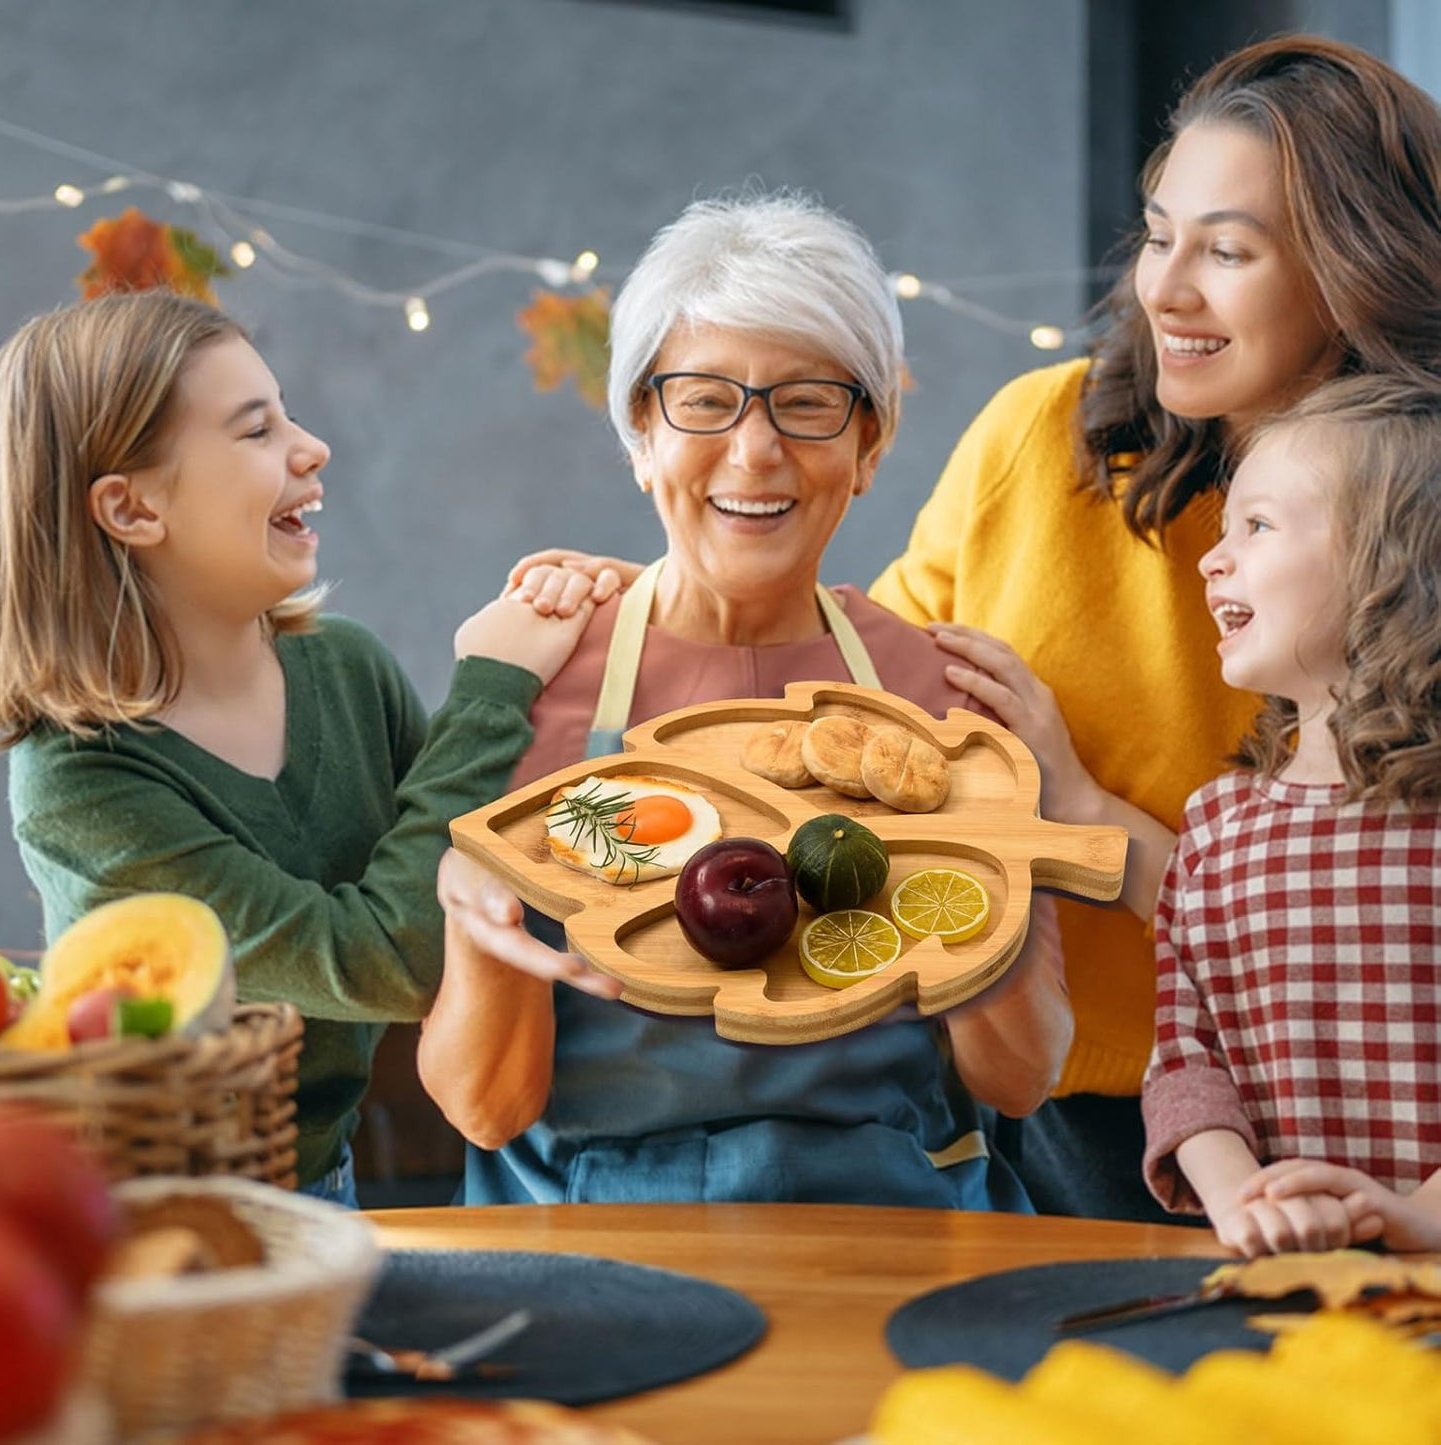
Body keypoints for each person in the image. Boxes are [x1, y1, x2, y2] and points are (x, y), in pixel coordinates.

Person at [507, 36, 1441, 1221]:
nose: (1165, 289)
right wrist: (662, 595)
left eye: (1227, 250)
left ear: (1352, 270)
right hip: (1059, 1120)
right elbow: (842, 690)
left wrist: (1075, 811)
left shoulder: (1416, 535)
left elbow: (1364, 909)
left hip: (1355, 1137)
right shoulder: (1040, 434)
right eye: (1159, 235)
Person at [420, 191, 1074, 1210]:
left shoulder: (936, 702)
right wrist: (480, 909)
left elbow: (1018, 1075)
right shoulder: (534, 682)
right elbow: (484, 1104)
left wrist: (974, 870)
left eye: (807, 401)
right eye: (702, 398)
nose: (754, 450)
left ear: (869, 445)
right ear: (640, 430)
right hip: (591, 1233)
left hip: (889, 1217)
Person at [0, 291, 594, 1203]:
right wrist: (490, 687)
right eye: (255, 431)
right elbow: (392, 957)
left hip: (325, 1181)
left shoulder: (345, 666)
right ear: (132, 507)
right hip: (150, 1228)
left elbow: (473, 851)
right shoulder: (79, 784)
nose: (311, 448)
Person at [1141, 374, 1441, 1256]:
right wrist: (1246, 1205)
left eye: (1257, 526)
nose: (1211, 557)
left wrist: (1421, 1215)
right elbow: (1185, 1064)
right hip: (1278, 1275)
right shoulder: (1214, 827)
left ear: (1391, 561)